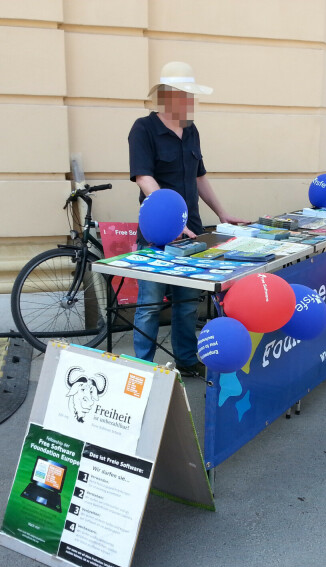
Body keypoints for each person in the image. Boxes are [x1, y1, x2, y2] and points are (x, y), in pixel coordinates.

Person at [128, 61, 245, 375]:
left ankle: (187, 360)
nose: (191, 103)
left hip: (192, 234)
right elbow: (144, 178)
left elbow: (199, 178)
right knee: (150, 306)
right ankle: (141, 368)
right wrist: (171, 222)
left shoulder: (191, 131)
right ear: (168, 97)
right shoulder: (143, 128)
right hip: (157, 235)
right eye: (187, 96)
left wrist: (222, 214)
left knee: (186, 304)